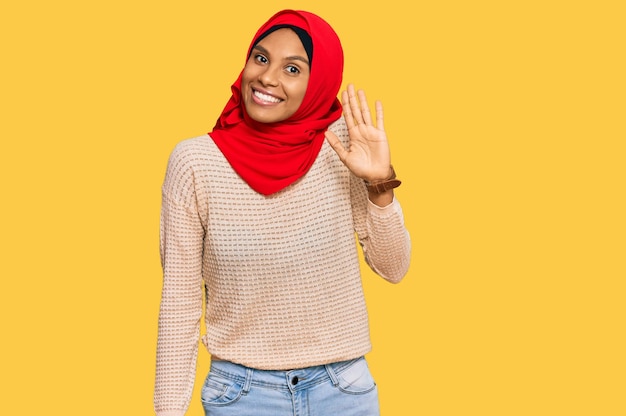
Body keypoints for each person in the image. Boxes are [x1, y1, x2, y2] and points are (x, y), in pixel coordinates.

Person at [154, 9, 411, 416]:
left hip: (341, 390)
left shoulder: (342, 146)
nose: (268, 77)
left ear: (318, 82)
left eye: (293, 68)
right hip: (240, 395)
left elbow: (393, 267)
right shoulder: (195, 163)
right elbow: (179, 302)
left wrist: (379, 184)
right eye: (260, 58)